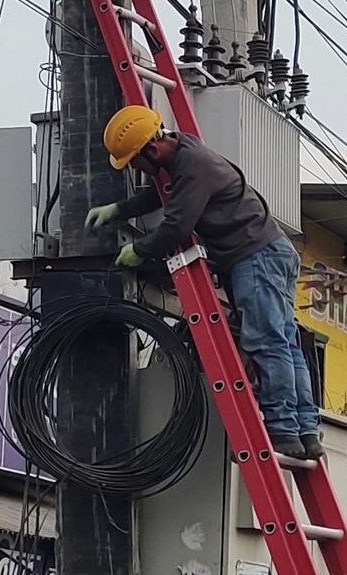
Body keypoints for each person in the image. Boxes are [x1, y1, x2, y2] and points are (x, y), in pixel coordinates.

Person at [87, 105, 322, 459]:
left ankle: (284, 430)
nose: (136, 170)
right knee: (284, 343)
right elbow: (162, 195)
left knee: (268, 343)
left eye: (134, 163)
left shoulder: (192, 166)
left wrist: (140, 249)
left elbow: (177, 225)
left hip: (255, 257)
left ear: (150, 150)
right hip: (268, 253)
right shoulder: (184, 154)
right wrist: (120, 210)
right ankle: (304, 431)